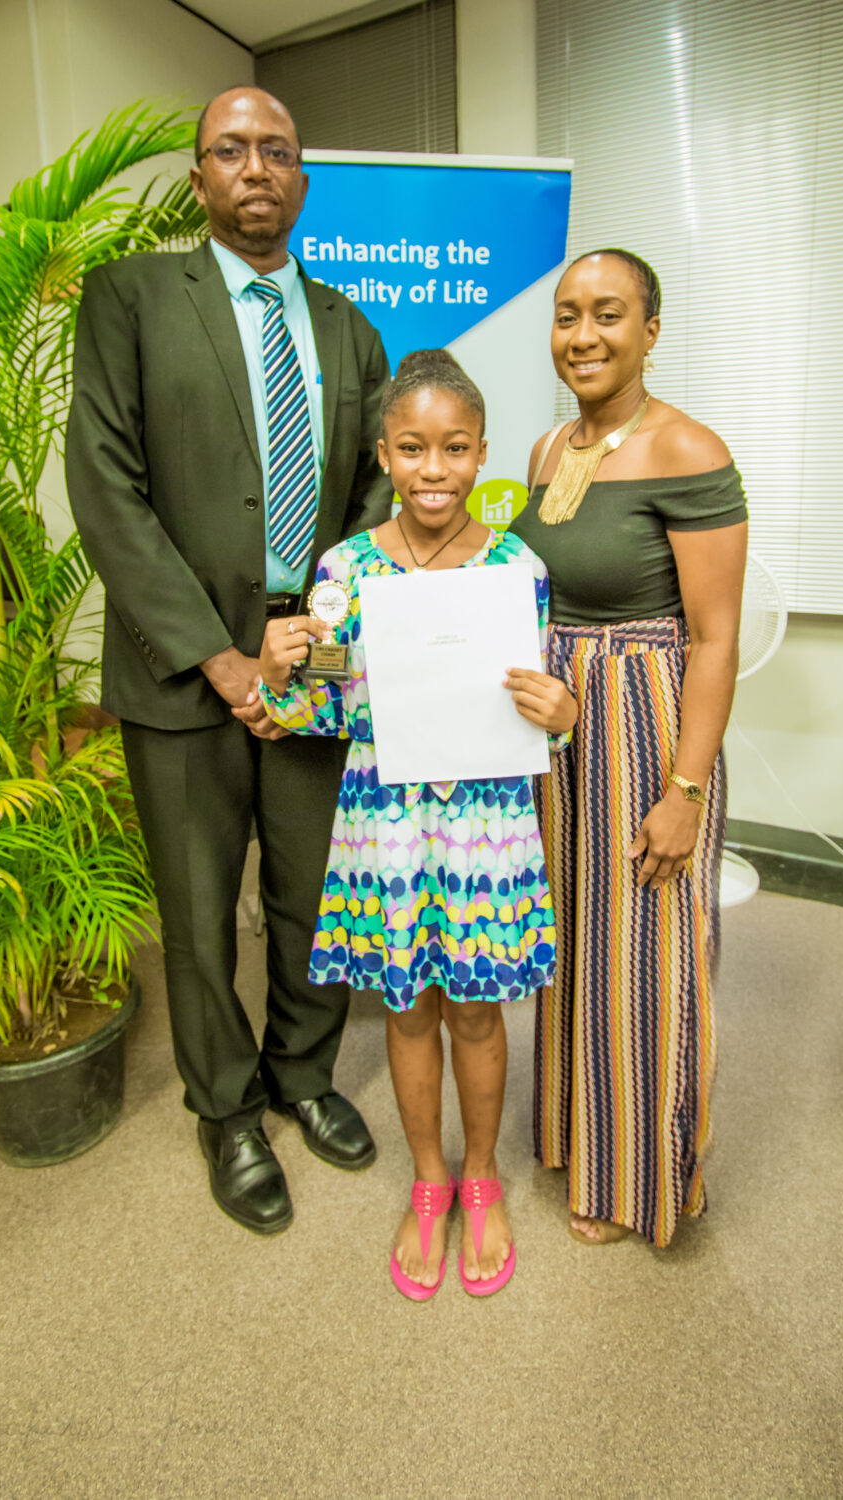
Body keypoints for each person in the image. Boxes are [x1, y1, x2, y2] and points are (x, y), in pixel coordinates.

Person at [65, 87, 392, 1235]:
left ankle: (303, 1074)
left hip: (314, 663)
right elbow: (105, 487)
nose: (256, 167)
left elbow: (373, 492)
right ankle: (226, 1108)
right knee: (199, 910)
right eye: (232, 150)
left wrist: (314, 634)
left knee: (315, 894)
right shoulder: (131, 298)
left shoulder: (351, 326)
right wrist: (221, 656)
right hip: (182, 669)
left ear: (302, 178)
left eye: (277, 151)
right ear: (199, 177)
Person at [257, 350, 577, 1297]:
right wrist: (278, 671)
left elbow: (540, 707)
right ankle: (429, 1180)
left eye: (455, 448)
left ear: (481, 454)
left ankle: (482, 1177)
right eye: (412, 448)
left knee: (476, 1010)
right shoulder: (344, 570)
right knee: (407, 1010)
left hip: (487, 827)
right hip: (386, 822)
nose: (433, 469)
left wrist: (561, 714)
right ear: (384, 454)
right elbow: (320, 710)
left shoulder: (519, 569)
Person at [510, 249, 747, 1249]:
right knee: (578, 946)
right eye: (567, 315)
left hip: (648, 728)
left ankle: (647, 1178)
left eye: (608, 314)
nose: (583, 335)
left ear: (651, 331)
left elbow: (716, 638)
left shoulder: (687, 448)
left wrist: (684, 789)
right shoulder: (545, 448)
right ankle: (582, 1142)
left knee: (648, 958)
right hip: (560, 728)